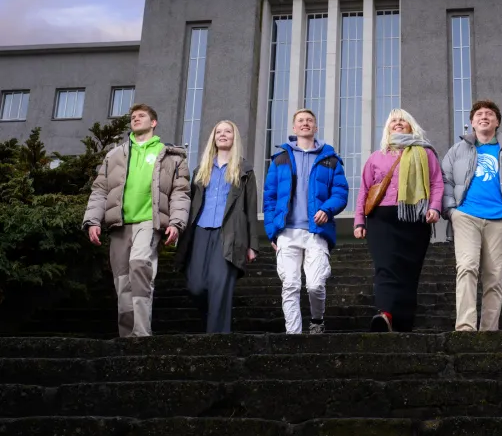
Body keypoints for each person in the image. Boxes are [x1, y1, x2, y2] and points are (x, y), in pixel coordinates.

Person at [82, 103, 190, 337]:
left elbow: (180, 192)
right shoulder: (114, 154)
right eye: (133, 117)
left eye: (142, 116)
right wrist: (92, 220)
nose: (135, 119)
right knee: (122, 282)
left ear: (153, 123)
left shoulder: (171, 156)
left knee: (140, 265)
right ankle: (126, 338)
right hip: (119, 225)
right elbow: (100, 189)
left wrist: (176, 222)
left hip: (149, 223)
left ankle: (142, 335)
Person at [442, 99, 502, 332]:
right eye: (479, 114)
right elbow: (445, 181)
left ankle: (488, 331)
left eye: (490, 114)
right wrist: (451, 211)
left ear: (497, 122)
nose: (484, 117)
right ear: (472, 123)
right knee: (467, 267)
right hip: (465, 217)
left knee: (494, 276)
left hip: (501, 220)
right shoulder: (457, 150)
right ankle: (465, 328)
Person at [354, 108, 443, 332]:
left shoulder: (426, 153)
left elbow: (436, 183)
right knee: (385, 268)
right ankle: (385, 314)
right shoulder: (377, 156)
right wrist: (359, 221)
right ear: (387, 128)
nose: (398, 123)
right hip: (381, 220)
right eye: (393, 120)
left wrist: (434, 208)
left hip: (415, 220)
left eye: (402, 120)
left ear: (411, 125)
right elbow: (364, 189)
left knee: (409, 271)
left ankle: (403, 321)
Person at [263, 108, 349, 334]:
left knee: (315, 284)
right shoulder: (280, 158)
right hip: (287, 232)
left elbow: (340, 192)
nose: (305, 123)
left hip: (316, 231)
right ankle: (294, 335)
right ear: (294, 128)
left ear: (315, 127)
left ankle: (317, 320)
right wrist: (272, 231)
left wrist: (327, 209)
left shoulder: (330, 159)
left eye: (309, 120)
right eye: (300, 120)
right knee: (290, 285)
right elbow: (270, 197)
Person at [175, 120, 259, 334]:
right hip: (200, 232)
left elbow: (250, 208)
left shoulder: (245, 169)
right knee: (196, 286)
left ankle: (218, 341)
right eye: (218, 132)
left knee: (220, 289)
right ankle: (211, 322)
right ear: (213, 137)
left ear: (234, 137)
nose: (222, 135)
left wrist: (252, 245)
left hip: (229, 234)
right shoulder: (200, 170)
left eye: (227, 131)